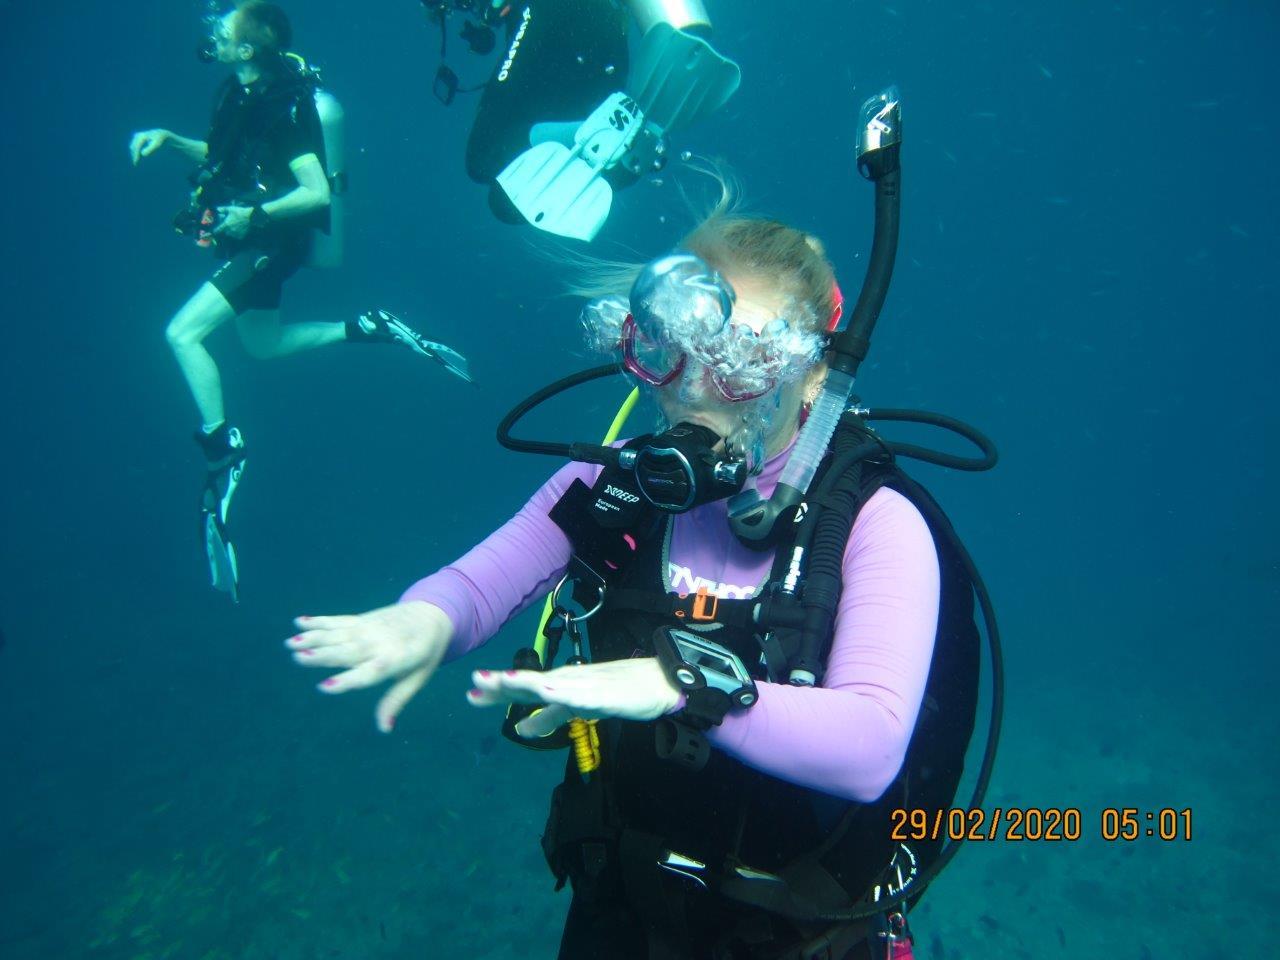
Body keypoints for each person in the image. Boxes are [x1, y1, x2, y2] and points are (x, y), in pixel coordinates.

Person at [286, 199, 994, 957]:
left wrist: (677, 686)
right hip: (622, 904)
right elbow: (481, 583)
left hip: (805, 933)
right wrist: (422, 621)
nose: (693, 390)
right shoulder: (614, 487)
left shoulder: (876, 522)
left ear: (815, 370)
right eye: (668, 353)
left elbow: (870, 748)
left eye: (740, 361)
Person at [130, 2, 469, 601]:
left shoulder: (281, 111)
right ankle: (367, 327)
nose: (215, 28)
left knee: (181, 333)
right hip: (253, 240)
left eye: (226, 26)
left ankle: (223, 449)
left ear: (249, 47)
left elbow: (314, 193)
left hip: (269, 243)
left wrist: (254, 216)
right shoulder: (236, 94)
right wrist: (169, 139)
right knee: (262, 345)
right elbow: (222, 154)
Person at [425, 0, 741, 241]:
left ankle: (605, 130)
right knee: (510, 199)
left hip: (557, 14)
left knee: (483, 158)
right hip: (602, 32)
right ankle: (630, 134)